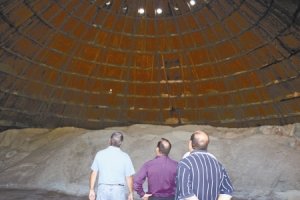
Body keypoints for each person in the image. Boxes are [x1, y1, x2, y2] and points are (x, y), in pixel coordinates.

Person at [176, 130, 234, 200]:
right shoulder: (218, 165)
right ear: (207, 144)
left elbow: (186, 193)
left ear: (190, 143)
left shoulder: (185, 163)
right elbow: (227, 190)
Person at [89, 131, 135, 200]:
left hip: (103, 188)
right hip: (118, 190)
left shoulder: (100, 154)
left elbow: (94, 173)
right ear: (121, 142)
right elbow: (129, 177)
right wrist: (131, 192)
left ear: (110, 140)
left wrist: (91, 189)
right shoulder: (125, 157)